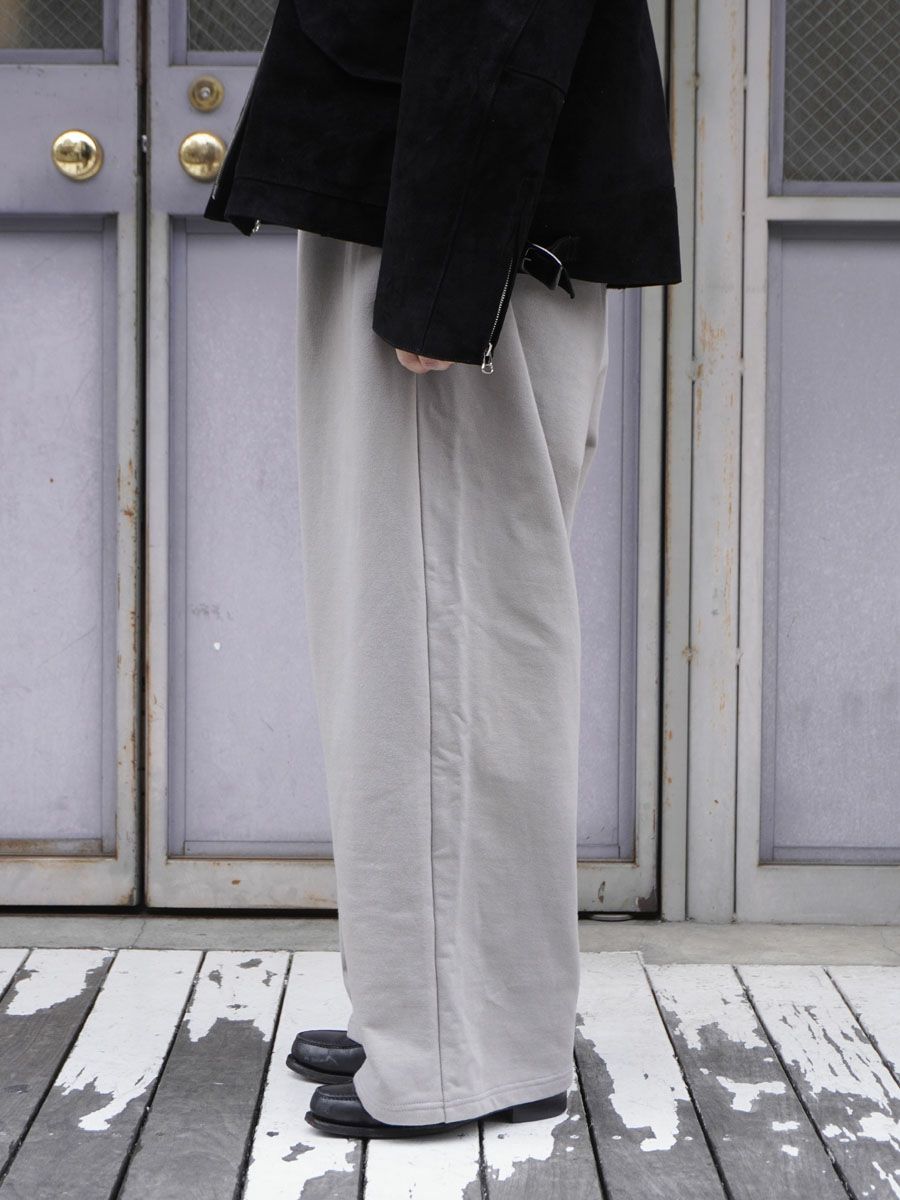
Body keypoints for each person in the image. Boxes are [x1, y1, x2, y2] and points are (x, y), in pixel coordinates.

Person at [204, 0, 680, 1139]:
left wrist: (445, 269)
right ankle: (437, 1013)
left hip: (447, 213)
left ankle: (465, 1054)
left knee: (437, 643)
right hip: (421, 193)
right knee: (428, 632)